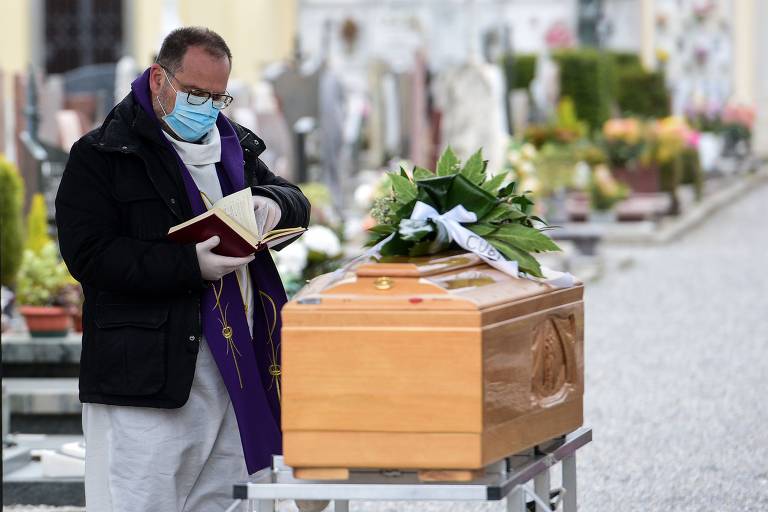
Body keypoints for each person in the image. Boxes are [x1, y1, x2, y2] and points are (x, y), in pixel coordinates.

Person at [55, 27, 311, 511]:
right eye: (196, 94)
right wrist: (187, 264)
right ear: (159, 79)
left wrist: (273, 205)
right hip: (147, 376)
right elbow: (88, 255)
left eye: (219, 97)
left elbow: (294, 200)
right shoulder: (102, 154)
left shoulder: (234, 148)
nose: (209, 109)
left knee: (226, 499)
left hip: (234, 368)